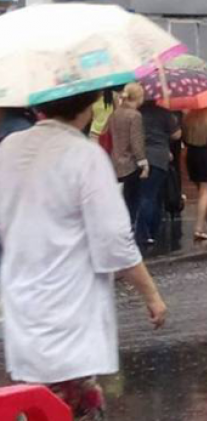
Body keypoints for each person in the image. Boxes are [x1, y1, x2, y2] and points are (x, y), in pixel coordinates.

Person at [0, 91, 167, 421]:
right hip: (70, 310)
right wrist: (152, 295)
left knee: (36, 402)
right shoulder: (85, 156)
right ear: (88, 107)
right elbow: (114, 241)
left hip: (23, 307)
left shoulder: (9, 149)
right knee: (71, 405)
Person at [135, 100, 181, 251]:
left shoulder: (137, 113)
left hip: (140, 157)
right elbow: (176, 135)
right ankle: (151, 230)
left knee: (145, 194)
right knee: (155, 196)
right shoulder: (164, 113)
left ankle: (144, 231)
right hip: (160, 157)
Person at [108, 83, 149, 224]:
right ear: (139, 97)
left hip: (115, 162)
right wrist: (143, 163)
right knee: (131, 202)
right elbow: (136, 141)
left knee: (119, 201)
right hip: (130, 165)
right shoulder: (135, 115)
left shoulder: (114, 114)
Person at [183, 107, 207, 242]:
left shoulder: (188, 119)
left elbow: (184, 140)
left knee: (203, 193)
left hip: (192, 155)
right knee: (205, 193)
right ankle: (198, 228)